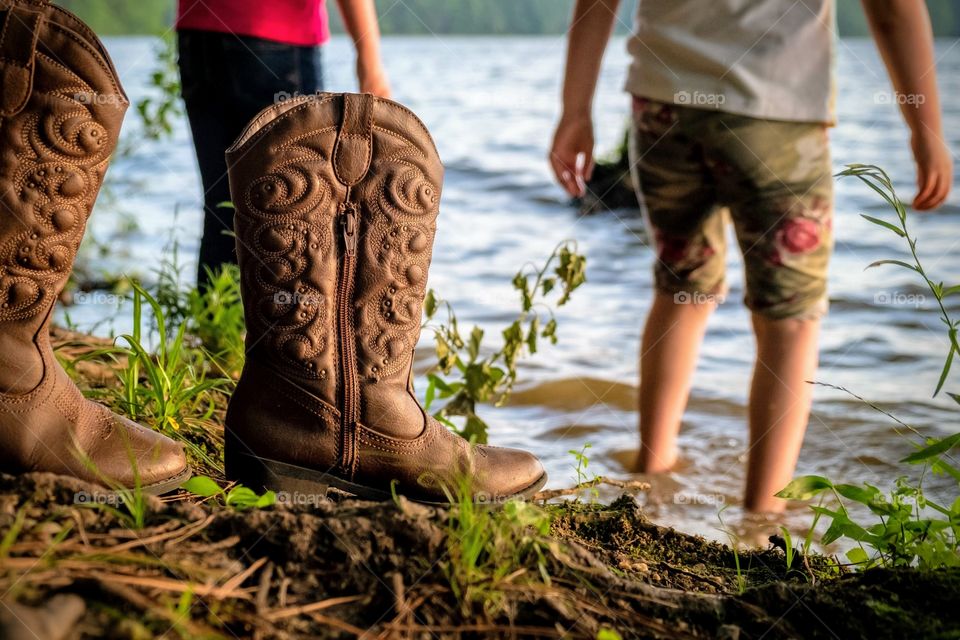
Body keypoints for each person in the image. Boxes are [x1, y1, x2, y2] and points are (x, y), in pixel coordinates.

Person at [550, 0, 953, 512]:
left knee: (682, 287)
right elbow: (893, 10)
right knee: (790, 319)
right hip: (776, 112)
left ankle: (650, 478)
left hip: (662, 107)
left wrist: (575, 110)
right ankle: (762, 519)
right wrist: (925, 128)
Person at [176, 0, 392, 286]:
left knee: (224, 206)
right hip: (277, 35)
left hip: (199, 34)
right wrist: (370, 64)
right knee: (292, 214)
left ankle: (212, 326)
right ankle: (282, 328)